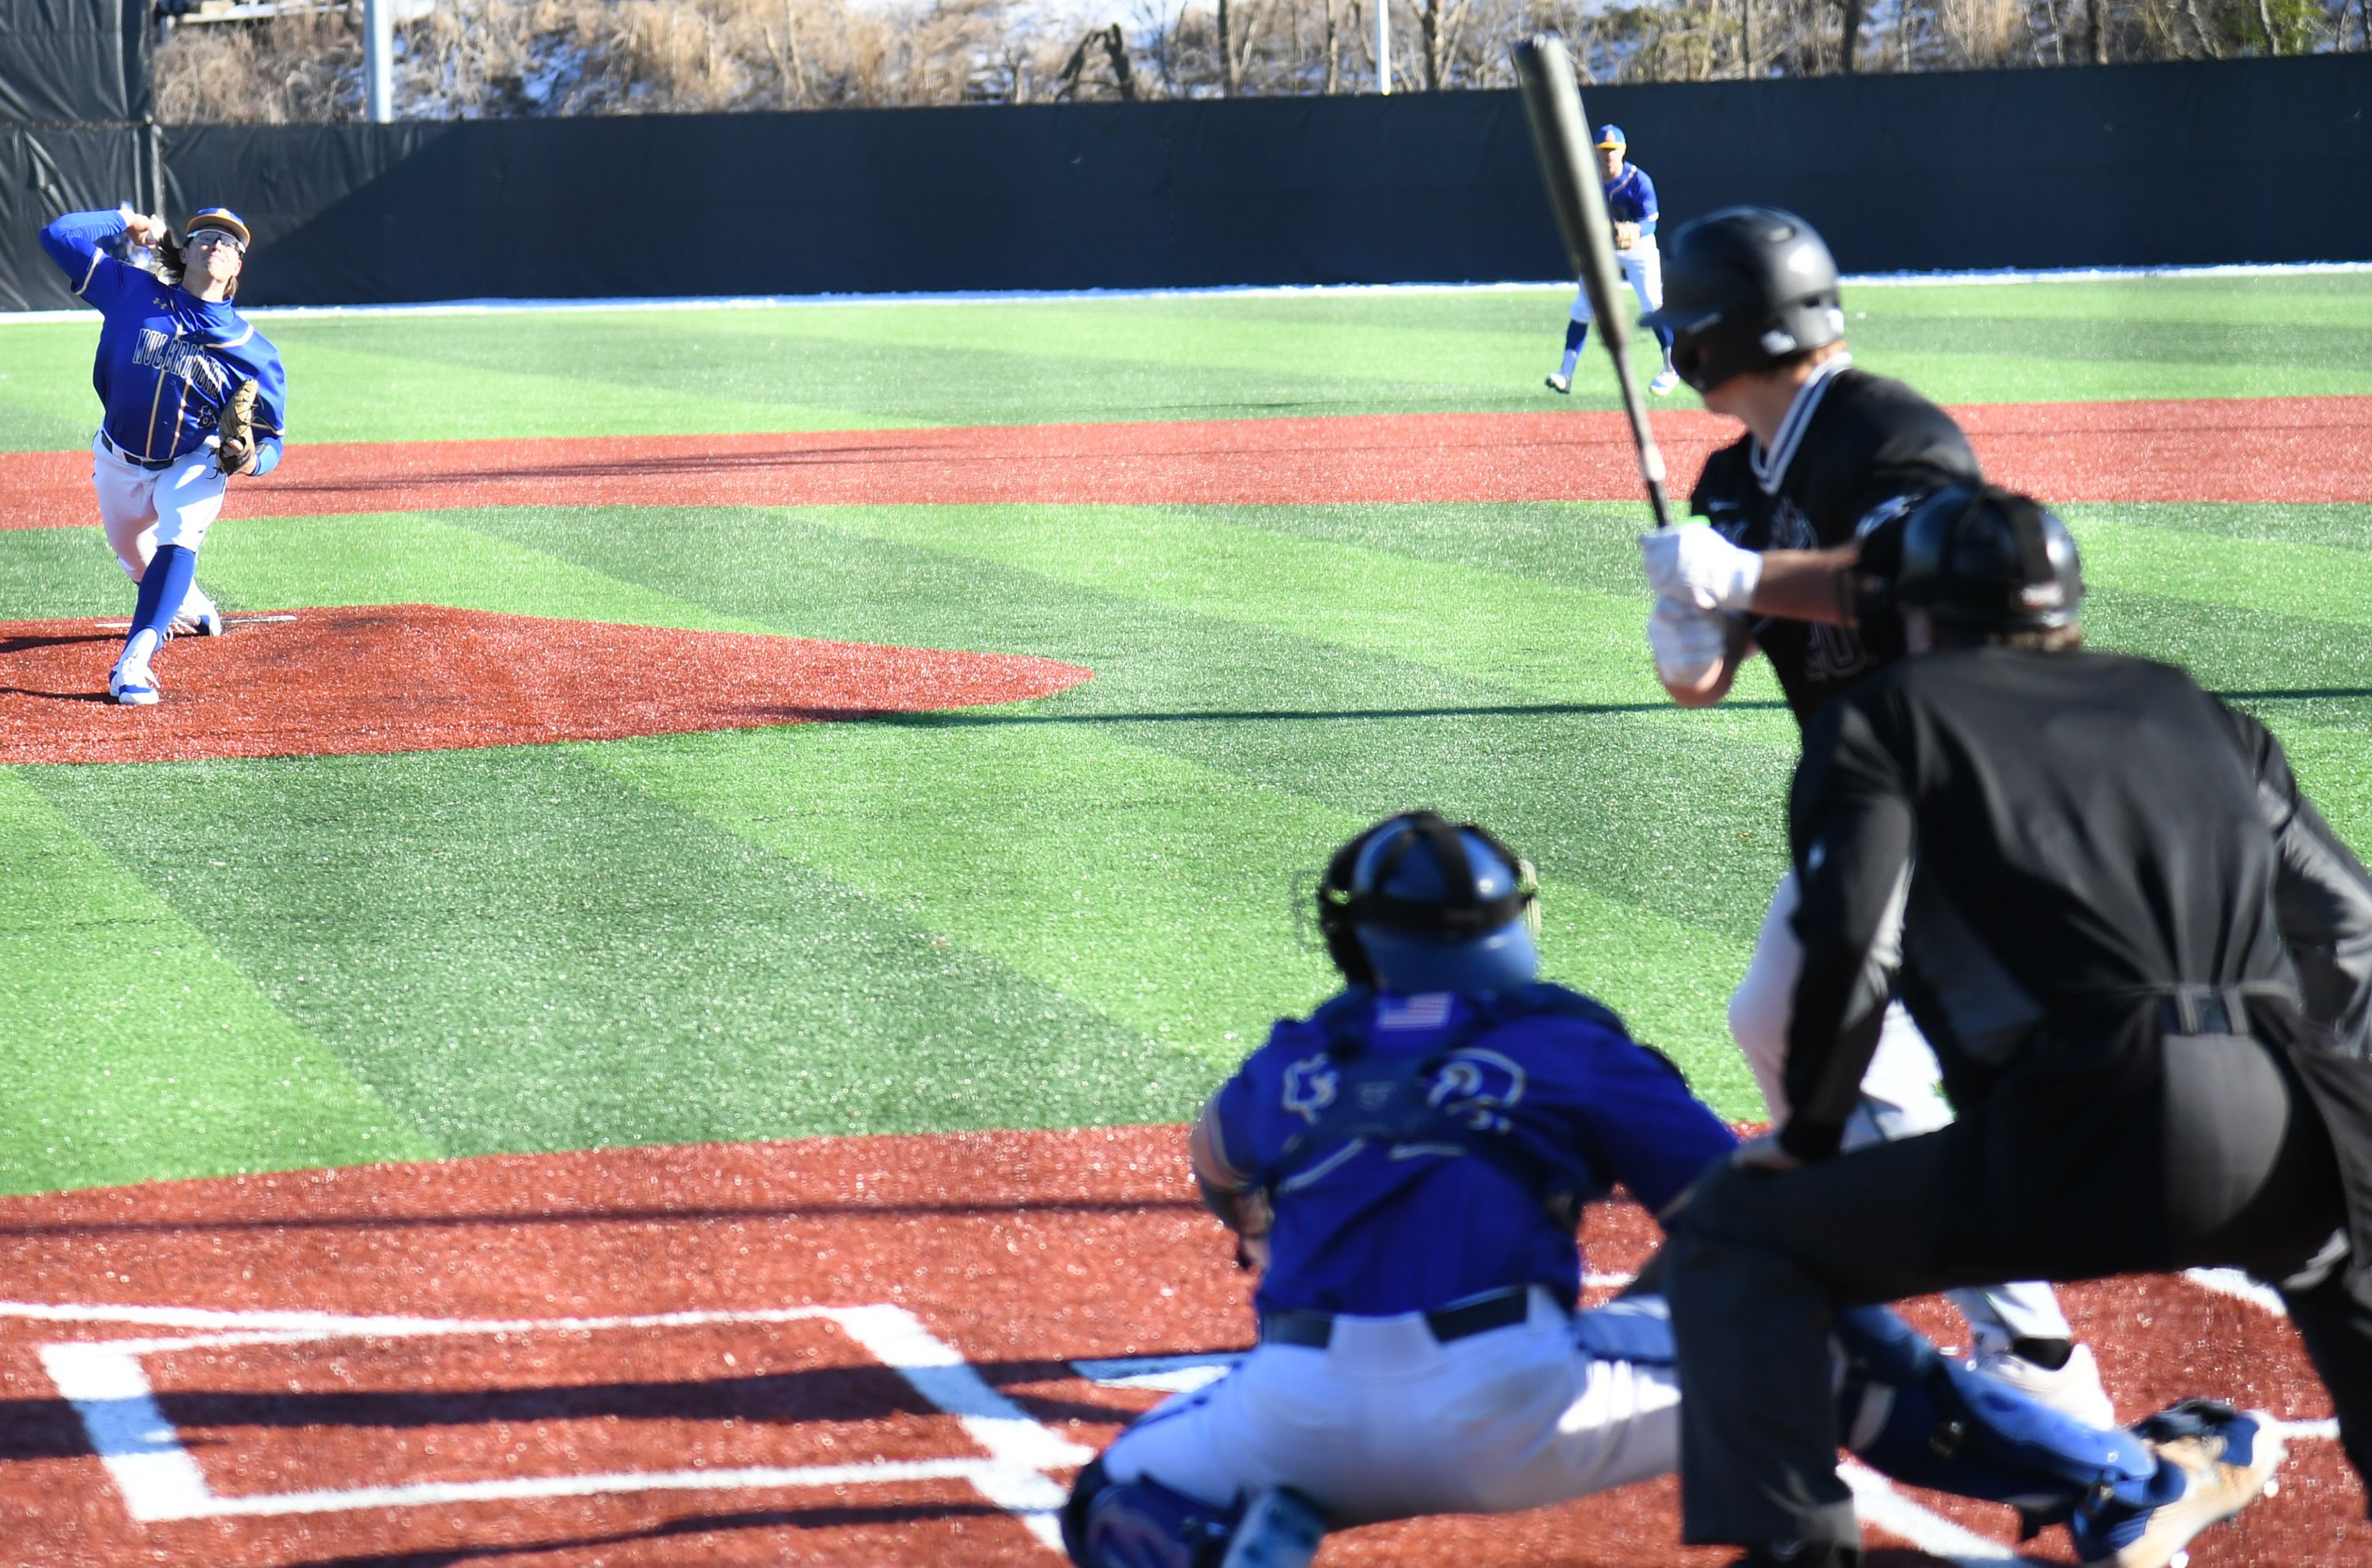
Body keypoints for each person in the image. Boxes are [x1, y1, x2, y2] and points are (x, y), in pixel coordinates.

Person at [1059, 810, 2282, 1568]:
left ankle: (1251, 1534)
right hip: (1516, 1412)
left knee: (1110, 1495)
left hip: (1301, 1411)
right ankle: (2125, 1485)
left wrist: (1261, 1219)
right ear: (1510, 926)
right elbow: (1742, 1223)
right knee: (1802, 1334)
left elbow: (1218, 1158)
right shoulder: (1569, 1041)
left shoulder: (1291, 1058)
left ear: (1356, 938)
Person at [1664, 486, 2372, 1568]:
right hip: (2291, 1114)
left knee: (1739, 1238)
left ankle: (1798, 1552)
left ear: (1914, 614)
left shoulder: (1887, 717)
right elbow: (2350, 928)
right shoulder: (2193, 705)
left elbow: (1852, 948)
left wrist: (1807, 1136)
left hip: (2077, 1124)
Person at [1630, 204, 2109, 1423]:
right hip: (1866, 795)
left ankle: (2029, 1349)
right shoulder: (1737, 474)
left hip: (1960, 778)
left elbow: (1915, 570)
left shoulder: (1891, 431)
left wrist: (1738, 578)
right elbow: (1704, 680)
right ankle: (1941, 1286)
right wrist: (1689, 623)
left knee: (1855, 1044)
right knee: (1782, 1023)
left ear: (1711, 333)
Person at [36, 204, 287, 705]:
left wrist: (250, 459)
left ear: (237, 266)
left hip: (194, 460)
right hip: (117, 460)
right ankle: (188, 601)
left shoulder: (253, 350)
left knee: (181, 534)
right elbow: (57, 235)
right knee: (135, 558)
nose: (217, 244)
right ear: (186, 249)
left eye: (230, 242)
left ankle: (134, 660)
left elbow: (272, 438)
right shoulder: (132, 291)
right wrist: (124, 220)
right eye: (206, 236)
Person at [1545, 125, 1679, 399]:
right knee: (1582, 307)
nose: (1608, 156)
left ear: (1623, 151)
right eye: (1603, 150)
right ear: (1595, 152)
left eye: (1613, 150)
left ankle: (1670, 369)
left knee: (1653, 304)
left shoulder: (1639, 180)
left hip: (1638, 248)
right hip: (1601, 249)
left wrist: (1635, 231)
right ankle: (1565, 374)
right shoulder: (1586, 181)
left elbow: (1650, 224)